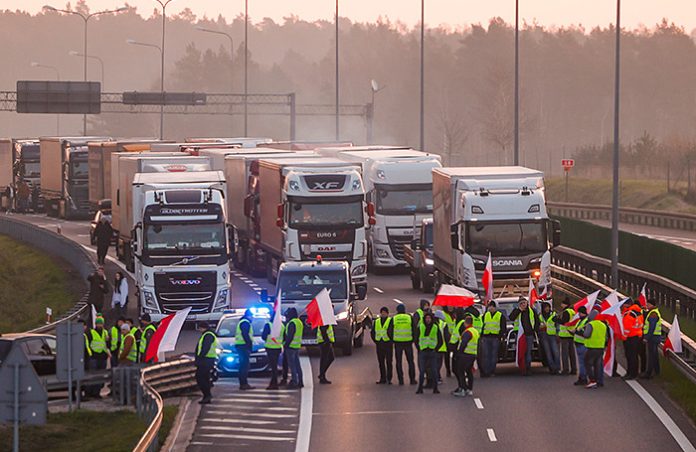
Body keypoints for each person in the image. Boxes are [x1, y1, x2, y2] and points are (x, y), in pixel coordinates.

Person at [509, 297, 539, 376]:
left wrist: (534, 330)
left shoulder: (532, 311)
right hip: (519, 335)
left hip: (529, 334)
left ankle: (528, 368)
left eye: (524, 303)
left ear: (527, 303)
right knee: (521, 351)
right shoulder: (516, 311)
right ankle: (522, 368)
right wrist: (519, 310)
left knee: (528, 352)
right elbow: (511, 318)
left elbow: (537, 321)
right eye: (521, 303)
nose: (523, 305)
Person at [415, 312, 442, 394]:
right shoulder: (421, 327)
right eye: (426, 318)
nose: (428, 320)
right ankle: (420, 388)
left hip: (432, 352)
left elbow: (440, 340)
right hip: (423, 352)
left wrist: (436, 349)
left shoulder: (435, 327)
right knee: (422, 371)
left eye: (429, 318)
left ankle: (435, 388)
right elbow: (416, 339)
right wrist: (419, 348)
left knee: (434, 371)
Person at [453, 316, 479, 397]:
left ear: (465, 323)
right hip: (473, 353)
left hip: (465, 354)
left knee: (460, 371)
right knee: (469, 372)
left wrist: (458, 353)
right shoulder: (475, 331)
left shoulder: (467, 332)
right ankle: (469, 389)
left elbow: (463, 343)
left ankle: (463, 389)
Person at [392, 304, 416, 386]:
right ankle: (412, 379)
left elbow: (390, 330)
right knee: (410, 362)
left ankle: (401, 380)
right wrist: (413, 339)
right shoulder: (409, 317)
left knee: (398, 362)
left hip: (398, 343)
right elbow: (414, 329)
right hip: (408, 342)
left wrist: (393, 340)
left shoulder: (394, 318)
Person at [86, 316, 110, 397]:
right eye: (98, 324)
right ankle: (89, 393)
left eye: (101, 324)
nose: (100, 325)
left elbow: (107, 344)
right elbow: (88, 344)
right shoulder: (91, 332)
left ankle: (97, 393)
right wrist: (90, 354)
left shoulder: (105, 332)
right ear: (95, 324)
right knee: (92, 376)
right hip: (94, 357)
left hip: (103, 357)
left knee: (100, 377)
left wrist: (108, 341)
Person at [481, 301, 506, 377]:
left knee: (493, 355)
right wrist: (481, 335)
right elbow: (482, 325)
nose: (491, 308)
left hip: (495, 338)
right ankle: (486, 371)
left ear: (496, 307)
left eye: (493, 306)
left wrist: (500, 336)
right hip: (486, 337)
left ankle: (492, 371)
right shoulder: (485, 315)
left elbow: (503, 327)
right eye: (490, 306)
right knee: (486, 355)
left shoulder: (500, 316)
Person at [195, 322, 218, 404]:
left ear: (202, 327)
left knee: (200, 378)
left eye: (199, 328)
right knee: (204, 378)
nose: (199, 330)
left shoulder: (208, 335)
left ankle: (207, 395)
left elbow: (205, 348)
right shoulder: (208, 334)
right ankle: (207, 396)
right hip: (207, 359)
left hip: (206, 360)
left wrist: (200, 358)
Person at [583, 313, 608, 389]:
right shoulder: (603, 325)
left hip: (591, 347)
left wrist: (582, 331)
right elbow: (606, 337)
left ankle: (592, 380)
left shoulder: (590, 324)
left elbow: (586, 335)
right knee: (598, 365)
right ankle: (599, 381)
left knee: (588, 364)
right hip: (600, 347)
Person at [371, 306, 394, 384]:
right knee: (381, 362)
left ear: (387, 314)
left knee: (389, 362)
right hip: (379, 344)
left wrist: (391, 341)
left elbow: (393, 332)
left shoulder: (390, 321)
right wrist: (376, 341)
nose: (383, 314)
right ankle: (382, 378)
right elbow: (373, 332)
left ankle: (389, 378)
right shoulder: (377, 321)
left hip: (388, 344)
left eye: (384, 313)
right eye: (382, 313)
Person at [261, 312, 284, 390]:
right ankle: (273, 383)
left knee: (273, 367)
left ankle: (274, 383)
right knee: (275, 366)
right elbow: (284, 337)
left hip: (270, 348)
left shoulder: (269, 325)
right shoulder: (282, 326)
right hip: (278, 348)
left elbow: (263, 336)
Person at [622, 299, 644, 380]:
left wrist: (624, 337)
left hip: (630, 337)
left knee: (630, 356)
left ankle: (631, 373)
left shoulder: (629, 314)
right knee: (634, 356)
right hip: (637, 336)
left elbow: (627, 328)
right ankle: (633, 373)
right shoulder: (638, 312)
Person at [641, 300, 662, 379]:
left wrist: (646, 338)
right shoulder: (653, 312)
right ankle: (657, 371)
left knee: (651, 356)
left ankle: (648, 373)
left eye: (648, 304)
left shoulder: (653, 314)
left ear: (652, 305)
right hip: (655, 337)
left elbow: (651, 327)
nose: (646, 305)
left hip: (652, 337)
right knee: (654, 355)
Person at [284, 308, 304, 389]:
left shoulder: (292, 323)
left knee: (292, 366)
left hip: (291, 346)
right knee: (297, 365)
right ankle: (300, 381)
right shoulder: (299, 322)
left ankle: (294, 382)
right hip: (297, 346)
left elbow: (290, 336)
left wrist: (286, 345)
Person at [539, 302, 561, 374]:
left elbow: (558, 324)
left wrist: (558, 334)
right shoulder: (540, 316)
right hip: (544, 335)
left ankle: (557, 368)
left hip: (553, 335)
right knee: (548, 352)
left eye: (548, 307)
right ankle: (552, 368)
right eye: (545, 307)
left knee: (556, 352)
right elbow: (537, 325)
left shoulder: (554, 314)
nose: (547, 309)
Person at [557, 298, 577, 376]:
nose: (561, 305)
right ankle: (574, 369)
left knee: (565, 354)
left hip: (565, 334)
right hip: (571, 334)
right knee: (572, 353)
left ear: (565, 304)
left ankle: (565, 369)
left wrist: (557, 320)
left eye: (562, 304)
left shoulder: (566, 312)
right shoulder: (573, 312)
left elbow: (564, 322)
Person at [572, 306, 590, 385]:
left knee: (582, 363)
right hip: (578, 343)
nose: (578, 314)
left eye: (579, 313)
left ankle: (583, 378)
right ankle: (582, 377)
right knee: (582, 362)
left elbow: (584, 333)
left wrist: (575, 331)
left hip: (583, 344)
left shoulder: (586, 321)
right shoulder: (581, 321)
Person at [434, 310, 450, 383]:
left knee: (434, 363)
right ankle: (437, 377)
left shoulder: (432, 324)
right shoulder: (443, 324)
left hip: (433, 346)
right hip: (442, 347)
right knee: (438, 364)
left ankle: (437, 376)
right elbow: (446, 336)